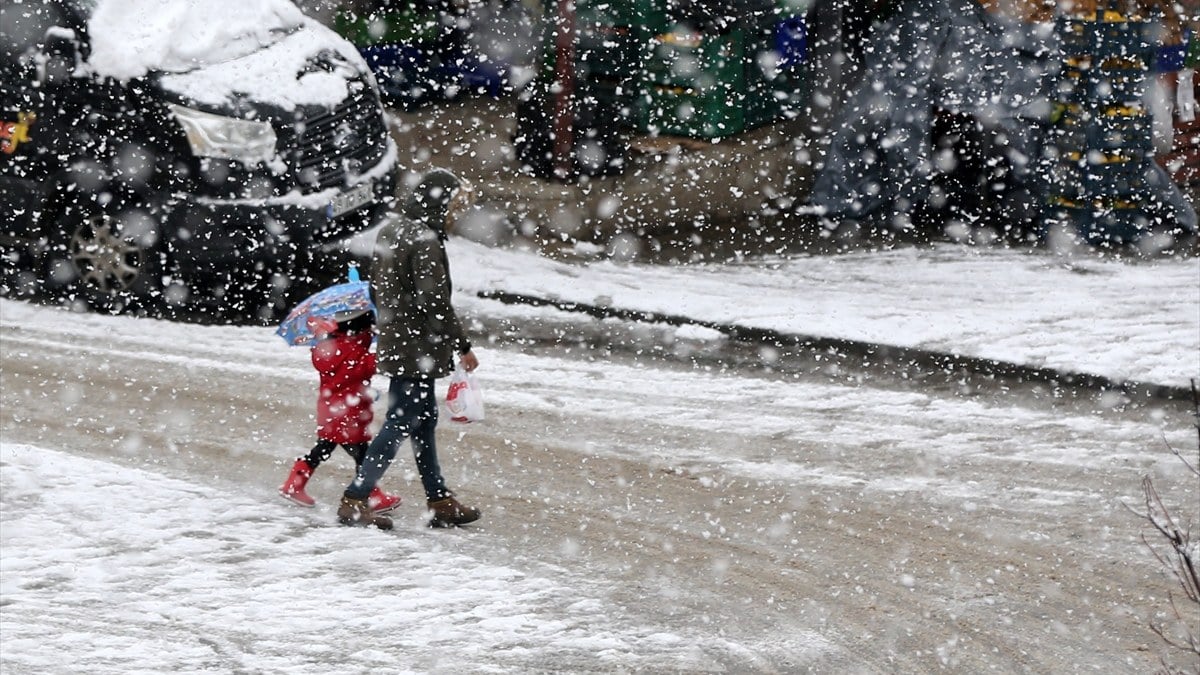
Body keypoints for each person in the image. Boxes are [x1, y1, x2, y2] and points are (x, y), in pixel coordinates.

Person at [337, 168, 482, 530]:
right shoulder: (425, 240)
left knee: (423, 421)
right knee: (402, 420)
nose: (456, 213)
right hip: (418, 345)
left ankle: (440, 499)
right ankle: (356, 497)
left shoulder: (392, 230)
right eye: (453, 205)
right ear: (438, 202)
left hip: (397, 339)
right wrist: (460, 343)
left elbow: (375, 289)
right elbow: (434, 300)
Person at [279, 309, 401, 513]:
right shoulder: (356, 355)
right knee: (362, 456)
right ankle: (371, 494)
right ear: (361, 329)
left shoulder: (329, 346)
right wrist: (386, 338)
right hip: (349, 417)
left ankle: (295, 483)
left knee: (324, 449)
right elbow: (379, 363)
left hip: (331, 412)